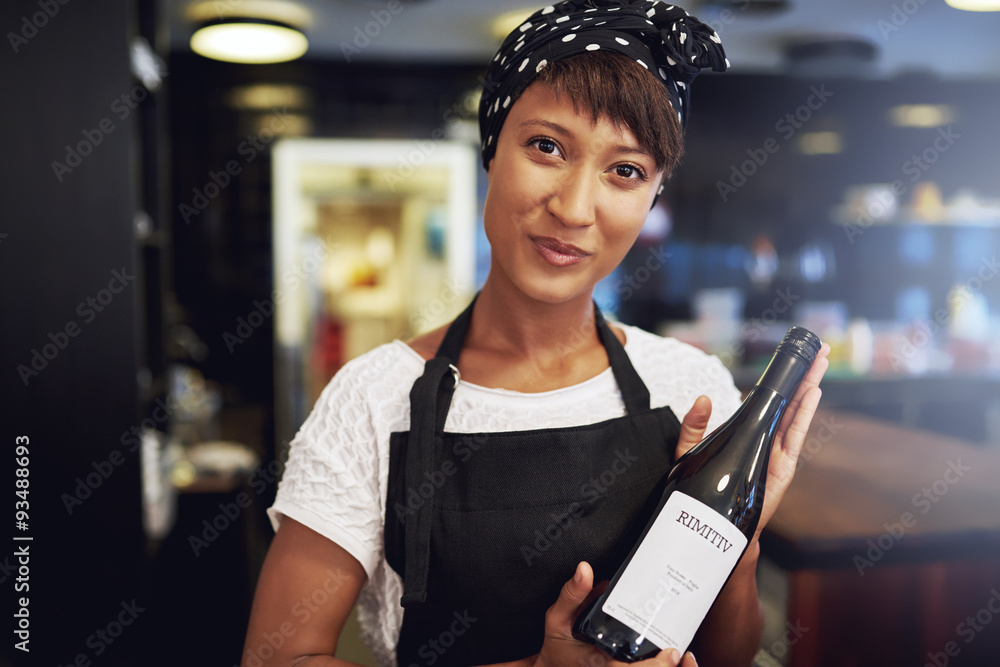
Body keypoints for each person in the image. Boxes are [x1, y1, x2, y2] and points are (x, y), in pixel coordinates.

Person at [243, 2, 830, 666]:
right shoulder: (373, 399)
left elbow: (727, 657)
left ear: (653, 197)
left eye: (625, 170)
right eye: (547, 146)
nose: (575, 208)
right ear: (493, 151)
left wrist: (737, 538)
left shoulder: (691, 389)